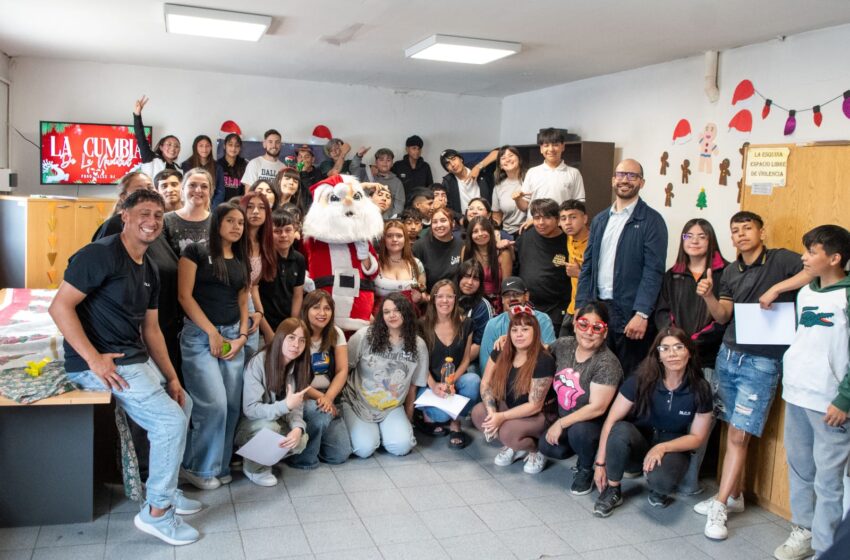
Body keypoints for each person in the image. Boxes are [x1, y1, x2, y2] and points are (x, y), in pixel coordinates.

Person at [48, 189, 200, 545]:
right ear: (125, 216)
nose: (151, 221)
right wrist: (93, 359)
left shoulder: (148, 266)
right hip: (103, 362)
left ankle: (164, 487)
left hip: (133, 358)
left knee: (183, 404)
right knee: (169, 422)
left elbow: (151, 329)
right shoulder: (99, 255)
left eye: (158, 216)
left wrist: (173, 378)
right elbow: (59, 307)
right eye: (144, 213)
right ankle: (157, 512)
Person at [693, 211, 810, 540]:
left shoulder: (781, 259)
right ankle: (735, 495)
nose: (741, 234)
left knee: (740, 436)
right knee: (731, 428)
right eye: (735, 230)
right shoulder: (730, 271)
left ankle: (720, 503)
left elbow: (812, 270)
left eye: (748, 228)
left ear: (762, 231)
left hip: (763, 361)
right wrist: (707, 296)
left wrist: (777, 290)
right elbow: (723, 316)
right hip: (729, 355)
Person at [772, 225, 850, 560]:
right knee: (801, 469)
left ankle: (825, 548)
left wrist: (844, 398)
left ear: (834, 258)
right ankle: (803, 531)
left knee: (829, 481)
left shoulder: (846, 295)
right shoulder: (807, 292)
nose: (803, 257)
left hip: (830, 403)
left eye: (812, 252)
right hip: (797, 393)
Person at [592, 327, 713, 517]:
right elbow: (611, 420)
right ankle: (613, 489)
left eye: (678, 347)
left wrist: (663, 447)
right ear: (658, 355)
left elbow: (697, 438)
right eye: (665, 348)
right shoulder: (641, 379)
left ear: (688, 352)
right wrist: (600, 463)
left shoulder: (700, 388)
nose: (672, 354)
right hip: (641, 440)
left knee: (662, 482)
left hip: (672, 446)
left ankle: (658, 488)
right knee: (620, 429)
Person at [178, 202, 251, 490]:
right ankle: (197, 468)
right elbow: (184, 297)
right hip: (200, 336)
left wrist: (242, 336)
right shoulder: (195, 251)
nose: (236, 227)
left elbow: (243, 300)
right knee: (214, 404)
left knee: (233, 405)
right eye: (230, 221)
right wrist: (211, 332)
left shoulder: (241, 258)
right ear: (217, 222)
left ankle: (217, 466)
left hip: (233, 336)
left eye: (241, 223)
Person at [653, 218, 727, 495]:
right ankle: (663, 465)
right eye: (689, 235)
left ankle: (690, 481)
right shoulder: (672, 274)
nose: (695, 240)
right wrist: (675, 342)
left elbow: (725, 318)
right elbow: (662, 312)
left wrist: (694, 343)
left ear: (711, 240)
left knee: (703, 419)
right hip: (674, 357)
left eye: (702, 236)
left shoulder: (724, 273)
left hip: (706, 357)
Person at [576, 159, 668, 377]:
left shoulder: (652, 221)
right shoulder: (600, 220)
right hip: (599, 310)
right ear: (613, 180)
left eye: (632, 176)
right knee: (597, 372)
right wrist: (581, 305)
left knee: (629, 376)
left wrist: (642, 313)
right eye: (621, 174)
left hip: (630, 313)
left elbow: (653, 271)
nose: (625, 180)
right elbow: (588, 266)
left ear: (641, 183)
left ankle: (626, 413)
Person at [539, 302, 623, 495]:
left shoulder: (607, 363)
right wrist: (507, 339)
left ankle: (586, 468)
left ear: (605, 332)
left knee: (580, 432)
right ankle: (581, 452)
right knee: (547, 447)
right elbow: (540, 351)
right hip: (568, 417)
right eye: (584, 324)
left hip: (594, 425)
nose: (588, 332)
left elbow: (598, 408)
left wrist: (561, 423)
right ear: (576, 325)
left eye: (597, 327)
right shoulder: (563, 345)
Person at [342, 293, 428, 458]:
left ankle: (383, 433)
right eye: (387, 312)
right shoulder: (364, 336)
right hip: (357, 403)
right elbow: (344, 370)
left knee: (402, 447)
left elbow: (412, 386)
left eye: (397, 310)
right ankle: (373, 433)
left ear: (407, 313)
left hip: (392, 407)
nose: (392, 315)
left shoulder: (418, 345)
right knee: (364, 449)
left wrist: (408, 419)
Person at [472, 310, 554, 474]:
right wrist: (493, 412)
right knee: (479, 413)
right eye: (514, 330)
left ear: (535, 332)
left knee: (507, 431)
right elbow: (486, 383)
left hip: (538, 415)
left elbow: (534, 406)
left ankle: (535, 450)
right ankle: (515, 446)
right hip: (510, 406)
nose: (519, 334)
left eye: (525, 329)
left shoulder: (543, 360)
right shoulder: (502, 350)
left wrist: (500, 418)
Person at [236, 318, 311, 486]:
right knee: (271, 428)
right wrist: (284, 406)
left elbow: (296, 408)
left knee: (300, 440)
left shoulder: (299, 367)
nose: (296, 345)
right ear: (280, 338)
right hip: (247, 424)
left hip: (274, 420)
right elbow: (250, 409)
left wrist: (298, 428)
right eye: (291, 338)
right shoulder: (259, 362)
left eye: (301, 340)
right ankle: (254, 468)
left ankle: (259, 456)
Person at [283, 291, 353, 469]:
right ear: (306, 309)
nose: (322, 313)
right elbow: (292, 376)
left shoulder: (336, 333)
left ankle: (315, 436)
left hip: (329, 395)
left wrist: (328, 398)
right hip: (302, 396)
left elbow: (342, 370)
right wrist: (321, 399)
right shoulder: (297, 334)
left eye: (327, 308)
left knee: (340, 454)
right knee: (320, 414)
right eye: (316, 307)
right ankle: (303, 458)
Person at [416, 280, 479, 448]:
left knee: (473, 381)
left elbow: (466, 359)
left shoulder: (466, 324)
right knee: (440, 416)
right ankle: (429, 416)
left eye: (449, 296)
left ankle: (455, 422)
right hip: (429, 384)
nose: (445, 301)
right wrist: (434, 385)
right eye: (440, 296)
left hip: (455, 381)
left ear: (455, 299)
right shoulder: (421, 325)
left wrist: (451, 382)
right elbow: (419, 362)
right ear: (433, 300)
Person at [515, 198, 571, 333]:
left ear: (557, 219)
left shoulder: (568, 241)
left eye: (547, 217)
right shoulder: (526, 234)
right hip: (527, 308)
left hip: (556, 311)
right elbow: (515, 262)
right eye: (537, 217)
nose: (541, 222)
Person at [479, 277, 557, 372]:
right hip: (501, 377)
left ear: (526, 296)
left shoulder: (543, 320)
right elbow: (485, 364)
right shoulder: (493, 324)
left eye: (517, 294)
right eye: (507, 295)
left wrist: (510, 340)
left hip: (534, 374)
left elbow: (550, 354)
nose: (512, 299)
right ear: (502, 300)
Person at [239, 192, 276, 356]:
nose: (255, 212)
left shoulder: (265, 246)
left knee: (250, 358)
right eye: (250, 207)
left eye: (261, 208)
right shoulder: (235, 242)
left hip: (251, 308)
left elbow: (253, 286)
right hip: (230, 309)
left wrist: (260, 315)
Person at [259, 209, 305, 335]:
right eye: (277, 231)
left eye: (288, 230)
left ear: (295, 231)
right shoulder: (262, 258)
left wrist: (293, 324)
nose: (283, 235)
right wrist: (268, 332)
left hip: (287, 327)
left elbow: (297, 295)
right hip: (263, 328)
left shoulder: (299, 259)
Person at [521, 127, 585, 207]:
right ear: (541, 149)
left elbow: (579, 203)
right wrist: (517, 199)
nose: (551, 149)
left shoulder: (574, 173)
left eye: (555, 145)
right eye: (546, 145)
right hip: (536, 219)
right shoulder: (532, 172)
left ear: (563, 147)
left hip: (562, 219)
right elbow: (525, 205)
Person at [461, 216, 512, 313]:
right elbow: (462, 279)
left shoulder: (503, 254)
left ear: (490, 232)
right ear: (470, 235)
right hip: (471, 301)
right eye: (475, 231)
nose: (480, 234)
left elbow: (506, 286)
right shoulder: (466, 250)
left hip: (496, 304)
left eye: (483, 230)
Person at [375, 220, 426, 312]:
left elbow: (423, 291)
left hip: (409, 317)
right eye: (389, 236)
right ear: (384, 239)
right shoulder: (375, 262)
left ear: (405, 239)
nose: (394, 239)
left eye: (399, 236)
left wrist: (420, 298)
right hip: (380, 317)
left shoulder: (416, 264)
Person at [162, 168, 212, 258]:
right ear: (183, 189)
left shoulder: (217, 221)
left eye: (204, 186)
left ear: (209, 192)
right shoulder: (165, 220)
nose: (198, 190)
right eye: (192, 185)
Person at [456, 260, 495, 369]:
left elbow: (479, 345)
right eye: (467, 276)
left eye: (475, 279)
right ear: (459, 277)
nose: (470, 282)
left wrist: (455, 365)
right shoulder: (448, 298)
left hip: (470, 361)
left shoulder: (483, 306)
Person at [91, 171, 155, 240]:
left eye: (150, 188)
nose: (147, 193)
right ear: (124, 197)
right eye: (139, 190)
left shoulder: (156, 222)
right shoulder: (114, 225)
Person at [412, 206, 463, 291]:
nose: (439, 225)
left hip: (457, 297)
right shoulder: (419, 246)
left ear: (453, 223)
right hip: (430, 299)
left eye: (443, 221)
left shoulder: (462, 244)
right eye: (434, 222)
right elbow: (415, 281)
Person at [132, 95, 181, 179]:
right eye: (169, 144)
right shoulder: (151, 158)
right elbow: (141, 138)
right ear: (161, 147)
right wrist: (137, 115)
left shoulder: (179, 169)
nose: (173, 148)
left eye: (176, 146)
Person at [350, 147, 405, 219]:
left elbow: (399, 203)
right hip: (364, 218)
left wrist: (391, 220)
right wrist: (358, 156)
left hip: (386, 221)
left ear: (392, 163)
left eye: (388, 160)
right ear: (376, 162)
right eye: (381, 160)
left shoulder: (397, 182)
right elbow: (353, 168)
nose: (385, 163)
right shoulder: (366, 173)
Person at [439, 149, 491, 215]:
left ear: (461, 159)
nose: (452, 164)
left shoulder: (479, 171)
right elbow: (447, 207)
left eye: (454, 159)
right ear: (448, 170)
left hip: (485, 218)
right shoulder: (447, 182)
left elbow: (497, 152)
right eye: (448, 163)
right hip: (464, 221)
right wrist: (460, 219)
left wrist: (479, 167)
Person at [491, 146, 528, 236]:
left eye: (510, 155)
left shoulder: (530, 179)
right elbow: (497, 216)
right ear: (500, 166)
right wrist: (495, 231)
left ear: (519, 159)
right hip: (508, 233)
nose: (507, 159)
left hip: (530, 230)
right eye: (503, 158)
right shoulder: (498, 187)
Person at [392, 135, 434, 201]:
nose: (417, 151)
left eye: (419, 149)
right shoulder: (398, 165)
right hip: (402, 204)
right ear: (407, 149)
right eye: (414, 148)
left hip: (421, 204)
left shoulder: (425, 166)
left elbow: (430, 187)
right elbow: (392, 185)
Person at [215, 133, 247, 206]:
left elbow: (246, 190)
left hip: (238, 206)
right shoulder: (217, 165)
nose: (233, 148)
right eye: (230, 145)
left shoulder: (245, 165)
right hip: (220, 207)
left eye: (237, 146)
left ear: (240, 148)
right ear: (224, 146)